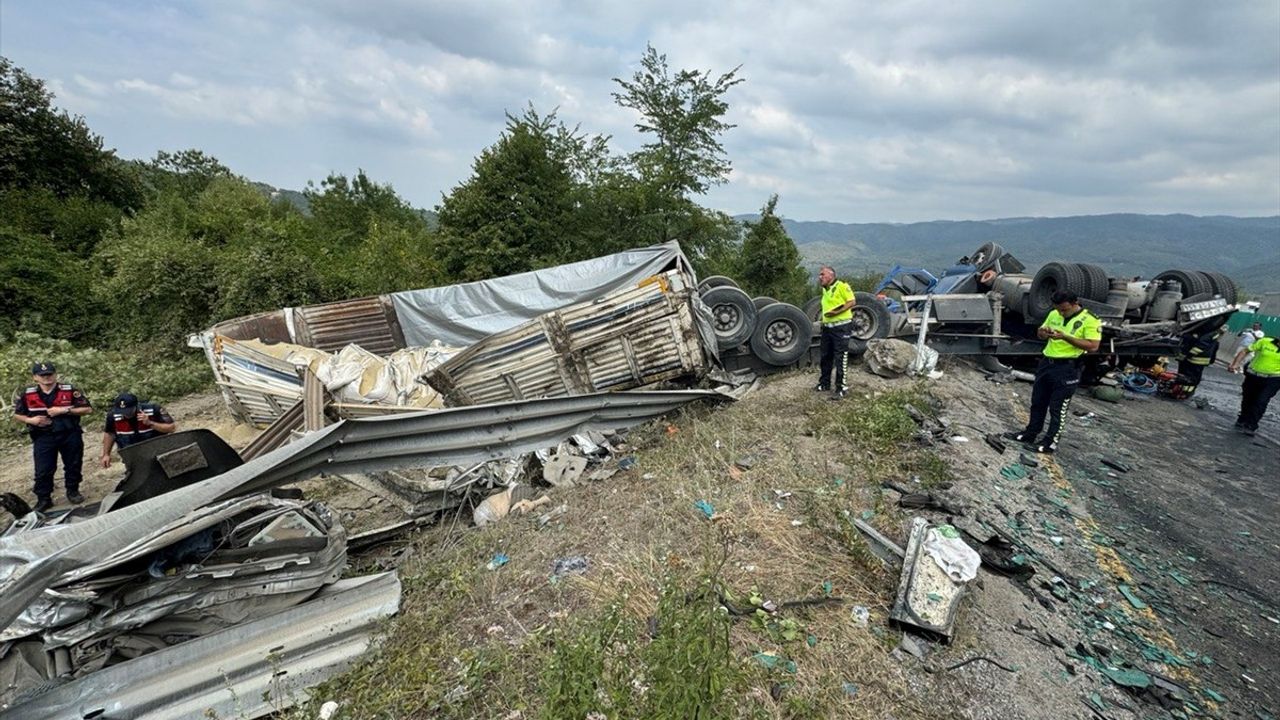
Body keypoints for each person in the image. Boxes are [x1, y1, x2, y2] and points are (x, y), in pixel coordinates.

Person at [1006, 291, 1101, 453]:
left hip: (1068, 367)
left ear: (1074, 303)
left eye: (1064, 310)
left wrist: (1065, 337)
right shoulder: (1053, 314)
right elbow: (1040, 333)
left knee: (1057, 407)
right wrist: (1044, 333)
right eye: (1058, 309)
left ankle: (1050, 441)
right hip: (1047, 362)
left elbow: (1093, 346)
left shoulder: (1090, 320)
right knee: (1038, 402)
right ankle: (1031, 432)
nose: (1061, 313)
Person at [11, 362, 93, 512]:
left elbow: (87, 409)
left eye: (50, 374)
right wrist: (31, 420)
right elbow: (18, 414)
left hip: (69, 433)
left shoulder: (69, 390)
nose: (47, 377)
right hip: (43, 436)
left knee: (73, 464)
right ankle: (44, 499)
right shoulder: (28, 394)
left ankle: (72, 491)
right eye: (43, 375)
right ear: (35, 377)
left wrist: (64, 410)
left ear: (55, 375)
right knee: (43, 469)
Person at [100, 392, 177, 467]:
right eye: (122, 412)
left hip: (157, 452)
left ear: (136, 406)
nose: (126, 414)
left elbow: (171, 428)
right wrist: (106, 454)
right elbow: (110, 433)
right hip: (132, 456)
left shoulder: (154, 409)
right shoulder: (112, 416)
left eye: (129, 411)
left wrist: (150, 423)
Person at [814, 265, 857, 400]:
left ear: (831, 276)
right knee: (826, 356)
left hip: (841, 327)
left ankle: (841, 387)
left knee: (840, 357)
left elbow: (852, 301)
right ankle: (824, 383)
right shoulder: (825, 289)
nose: (820, 277)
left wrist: (836, 312)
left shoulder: (842, 286)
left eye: (822, 275)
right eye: (820, 275)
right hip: (828, 328)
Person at [1235, 334, 1280, 436]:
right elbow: (1245, 351)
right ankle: (1243, 417)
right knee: (1248, 398)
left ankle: (1251, 425)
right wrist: (1236, 364)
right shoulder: (1265, 342)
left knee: (1261, 400)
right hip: (1253, 375)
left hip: (1274, 379)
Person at [1174, 328, 1222, 398]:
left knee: (1189, 377)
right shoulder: (1210, 332)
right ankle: (1180, 390)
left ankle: (1185, 392)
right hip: (1194, 359)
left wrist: (1188, 355)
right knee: (1185, 375)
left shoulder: (1207, 333)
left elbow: (1199, 346)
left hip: (1194, 359)